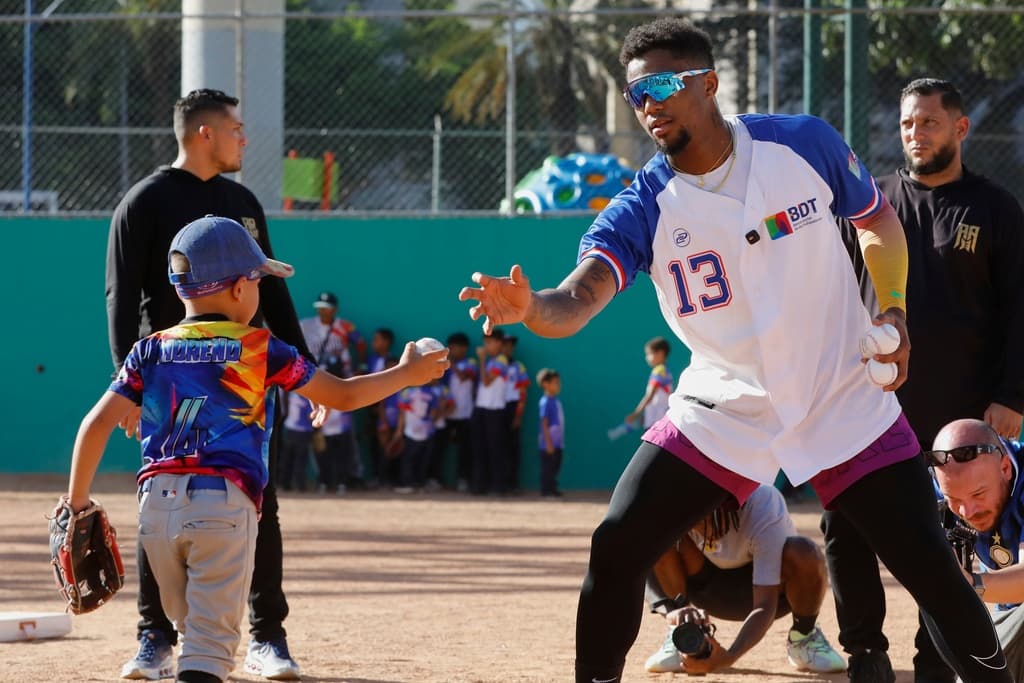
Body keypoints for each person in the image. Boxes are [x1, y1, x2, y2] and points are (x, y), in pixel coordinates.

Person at [458, 18, 1010, 683]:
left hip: (841, 393)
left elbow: (877, 222)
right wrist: (533, 309)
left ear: (710, 83)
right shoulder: (644, 207)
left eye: (663, 84)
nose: (649, 104)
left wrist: (891, 304)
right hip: (723, 405)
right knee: (616, 545)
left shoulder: (801, 143)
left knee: (932, 571)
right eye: (637, 94)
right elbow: (580, 295)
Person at [76, 216, 447, 683]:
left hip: (155, 509)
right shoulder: (259, 346)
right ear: (237, 290)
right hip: (223, 508)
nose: (258, 292)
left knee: (190, 630)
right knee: (207, 656)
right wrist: (406, 375)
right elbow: (346, 397)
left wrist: (76, 504)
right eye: (256, 280)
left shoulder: (149, 349)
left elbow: (96, 424)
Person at [106, 89, 314, 680]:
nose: (244, 138)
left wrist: (306, 373)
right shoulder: (143, 202)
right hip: (167, 379)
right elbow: (123, 297)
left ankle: (267, 637)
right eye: (236, 129)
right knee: (162, 497)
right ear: (204, 133)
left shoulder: (241, 202)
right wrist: (128, 383)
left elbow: (273, 293)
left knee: (259, 499)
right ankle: (155, 637)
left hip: (242, 374)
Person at [824, 77, 1024, 683]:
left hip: (956, 420)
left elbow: (1021, 307)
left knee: (947, 542)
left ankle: (935, 659)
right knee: (845, 528)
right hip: (867, 410)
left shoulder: (995, 208)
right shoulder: (871, 205)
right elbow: (829, 295)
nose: (916, 134)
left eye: (930, 123)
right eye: (909, 124)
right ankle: (865, 653)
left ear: (961, 128)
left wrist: (1011, 396)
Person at [642, 485, 844, 675]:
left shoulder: (763, 505)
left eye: (706, 522)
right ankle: (681, 631)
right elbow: (638, 562)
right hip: (707, 588)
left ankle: (804, 637)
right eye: (694, 524)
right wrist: (673, 611)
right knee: (657, 536)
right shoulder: (681, 508)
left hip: (771, 595)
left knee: (804, 552)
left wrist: (728, 657)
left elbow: (765, 605)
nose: (702, 531)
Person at [929, 419, 1024, 682]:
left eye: (979, 494)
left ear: (1005, 467)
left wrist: (972, 584)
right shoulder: (934, 491)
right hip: (1006, 614)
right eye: (954, 500)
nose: (966, 512)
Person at [302, 291, 365, 489]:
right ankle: (324, 478)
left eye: (327, 308)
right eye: (320, 308)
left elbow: (361, 344)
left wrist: (360, 367)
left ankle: (345, 478)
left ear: (334, 310)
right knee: (319, 436)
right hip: (315, 381)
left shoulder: (344, 326)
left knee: (343, 436)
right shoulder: (306, 325)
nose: (323, 312)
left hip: (340, 380)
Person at [471, 328, 509, 495]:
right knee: (480, 449)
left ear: (499, 343)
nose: (486, 346)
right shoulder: (490, 360)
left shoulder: (501, 360)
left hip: (495, 410)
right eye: (485, 343)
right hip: (482, 408)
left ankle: (498, 487)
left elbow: (486, 382)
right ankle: (480, 486)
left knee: (495, 450)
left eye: (489, 342)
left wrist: (481, 359)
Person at [444, 332, 478, 493]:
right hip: (446, 414)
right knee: (439, 448)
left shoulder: (470, 363)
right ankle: (435, 479)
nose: (452, 350)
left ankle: (463, 480)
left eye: (456, 348)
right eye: (451, 347)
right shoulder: (444, 366)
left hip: (466, 414)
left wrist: (451, 364)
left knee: (465, 451)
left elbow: (464, 377)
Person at [624, 336, 673, 430]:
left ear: (660, 353)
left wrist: (636, 413)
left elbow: (649, 396)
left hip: (655, 421)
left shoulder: (658, 371)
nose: (647, 358)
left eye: (649, 354)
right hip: (662, 419)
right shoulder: (666, 371)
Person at [502, 335, 529, 492]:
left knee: (512, 448)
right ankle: (499, 483)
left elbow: (523, 391)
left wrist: (518, 414)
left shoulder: (518, 367)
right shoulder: (494, 365)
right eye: (505, 345)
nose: (508, 349)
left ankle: (512, 483)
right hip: (496, 408)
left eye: (511, 346)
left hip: (512, 408)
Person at [536, 368, 565, 497]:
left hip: (558, 443)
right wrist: (548, 443)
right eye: (555, 382)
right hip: (548, 444)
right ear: (545, 384)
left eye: (558, 382)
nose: (558, 385)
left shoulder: (555, 401)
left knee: (555, 467)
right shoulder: (545, 402)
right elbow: (544, 423)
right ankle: (546, 490)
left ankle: (552, 489)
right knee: (547, 468)